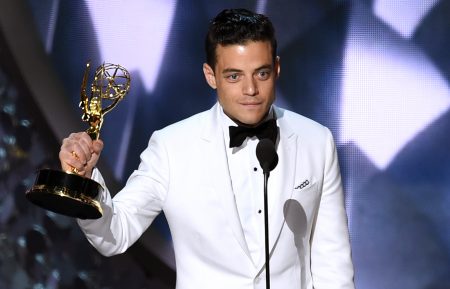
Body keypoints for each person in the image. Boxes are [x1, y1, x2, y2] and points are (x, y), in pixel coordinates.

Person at [59, 8, 355, 289]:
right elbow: (116, 234)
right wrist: (83, 184)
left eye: (261, 73)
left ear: (276, 69)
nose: (250, 89)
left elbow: (333, 262)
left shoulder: (316, 141)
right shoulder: (171, 147)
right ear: (210, 75)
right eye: (234, 76)